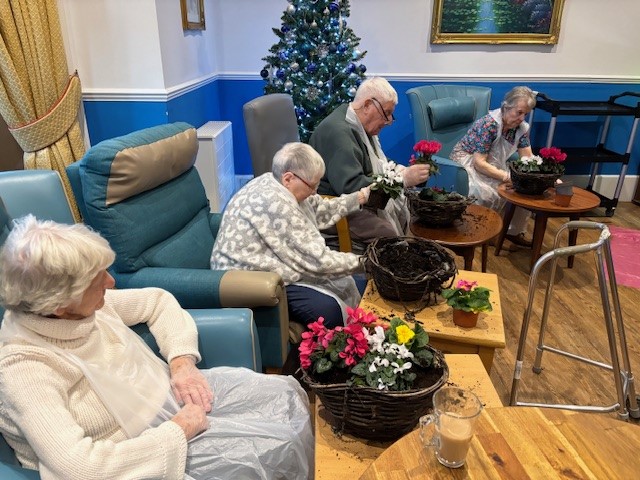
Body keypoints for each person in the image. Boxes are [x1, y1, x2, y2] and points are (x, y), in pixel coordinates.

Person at [0, 215, 313, 480]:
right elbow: (81, 466)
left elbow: (156, 301)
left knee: (283, 394)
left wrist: (182, 363)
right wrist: (177, 430)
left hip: (167, 400)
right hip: (140, 455)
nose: (110, 282)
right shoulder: (25, 369)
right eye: (98, 278)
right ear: (59, 306)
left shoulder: (82, 308)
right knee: (277, 448)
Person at [211, 142, 369, 330]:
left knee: (345, 282)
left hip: (272, 265)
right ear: (288, 178)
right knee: (331, 309)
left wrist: (358, 198)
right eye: (312, 186)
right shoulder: (277, 204)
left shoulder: (273, 180)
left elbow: (318, 208)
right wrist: (366, 262)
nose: (315, 192)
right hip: (248, 280)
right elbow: (318, 261)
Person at [309, 76, 431, 252]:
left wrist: (403, 171)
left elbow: (378, 163)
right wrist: (401, 179)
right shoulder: (339, 133)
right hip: (333, 206)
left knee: (414, 208)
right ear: (367, 105)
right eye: (386, 113)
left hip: (353, 199)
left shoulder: (356, 123)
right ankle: (380, 276)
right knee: (387, 234)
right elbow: (350, 187)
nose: (389, 121)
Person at [450, 86, 537, 247]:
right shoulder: (489, 124)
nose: (521, 118)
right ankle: (483, 233)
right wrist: (506, 177)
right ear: (506, 107)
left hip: (493, 164)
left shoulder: (520, 128)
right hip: (468, 162)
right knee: (486, 193)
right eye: (519, 112)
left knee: (524, 189)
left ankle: (512, 232)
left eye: (525, 114)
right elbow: (479, 162)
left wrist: (538, 176)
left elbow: (528, 157)